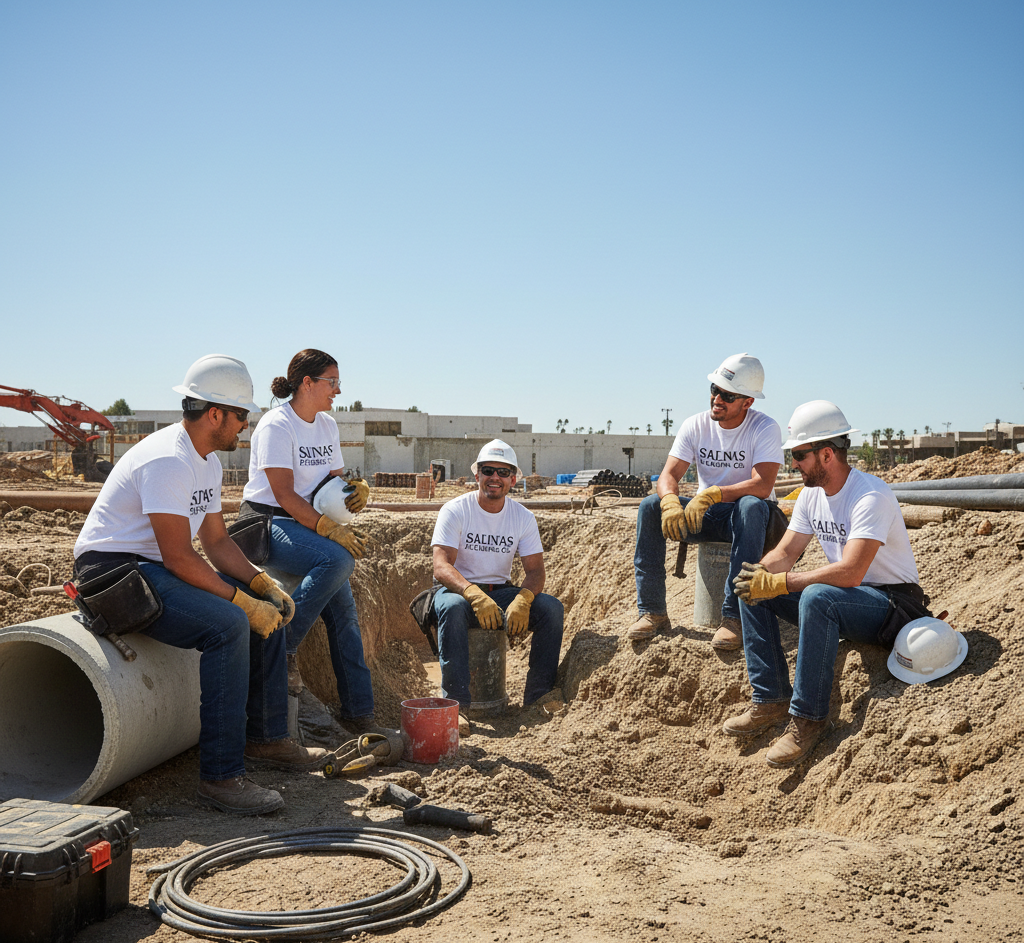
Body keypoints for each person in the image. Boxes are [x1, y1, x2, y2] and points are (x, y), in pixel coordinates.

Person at [73, 354, 326, 815]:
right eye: (241, 416)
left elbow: (215, 539)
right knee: (230, 624)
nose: (245, 427)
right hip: (112, 574)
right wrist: (241, 604)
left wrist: (259, 583)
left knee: (261, 611)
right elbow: (179, 556)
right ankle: (221, 778)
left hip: (146, 567)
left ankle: (266, 740)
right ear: (215, 414)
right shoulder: (168, 460)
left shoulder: (205, 460)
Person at [724, 400, 923, 767]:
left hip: (893, 606)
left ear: (827, 454)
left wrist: (783, 582)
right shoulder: (812, 495)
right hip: (847, 599)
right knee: (755, 590)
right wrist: (759, 574)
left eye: (799, 455)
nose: (793, 463)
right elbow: (785, 553)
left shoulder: (869, 495)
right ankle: (769, 699)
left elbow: (851, 572)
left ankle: (808, 721)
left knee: (816, 596)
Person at [241, 348, 376, 734]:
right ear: (307, 383)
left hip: (306, 520)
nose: (337, 390)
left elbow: (333, 482)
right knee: (337, 561)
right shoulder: (276, 426)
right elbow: (283, 494)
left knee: (345, 615)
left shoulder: (327, 425)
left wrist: (355, 488)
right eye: (331, 382)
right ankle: (281, 645)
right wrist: (331, 531)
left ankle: (360, 712)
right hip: (267, 522)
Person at [629, 353, 783, 649]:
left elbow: (763, 485)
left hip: (754, 521)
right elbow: (668, 475)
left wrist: (714, 494)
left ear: (747, 402)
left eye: (727, 395)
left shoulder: (763, 428)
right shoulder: (695, 425)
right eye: (715, 390)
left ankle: (734, 617)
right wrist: (670, 502)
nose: (717, 398)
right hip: (708, 515)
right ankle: (652, 612)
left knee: (750, 506)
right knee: (650, 506)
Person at [431, 439, 564, 730]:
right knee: (453, 609)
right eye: (488, 470)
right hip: (458, 591)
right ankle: (456, 706)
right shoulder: (456, 510)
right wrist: (473, 594)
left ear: (513, 480)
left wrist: (524, 598)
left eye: (503, 473)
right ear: (477, 474)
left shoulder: (522, 517)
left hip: (501, 590)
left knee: (551, 609)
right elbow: (441, 566)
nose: (495, 478)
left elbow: (536, 570)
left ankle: (538, 697)